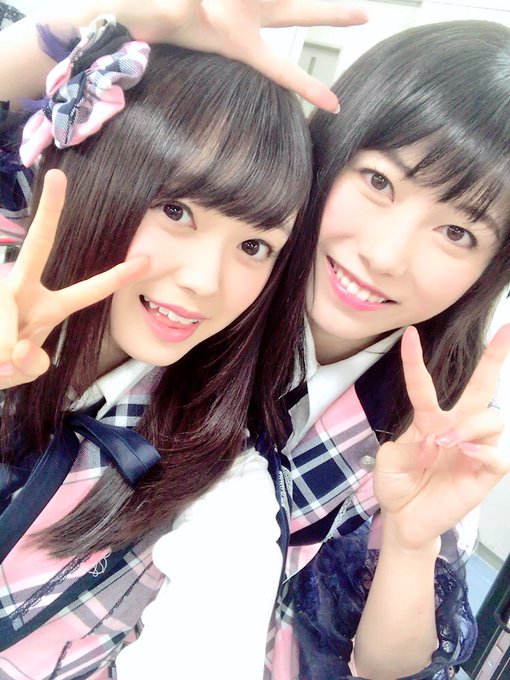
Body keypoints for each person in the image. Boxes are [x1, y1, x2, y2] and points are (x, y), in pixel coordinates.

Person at [0, 9, 316, 679]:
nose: (205, 281)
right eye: (177, 211)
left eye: (254, 246)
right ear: (104, 177)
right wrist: (92, 17)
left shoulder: (221, 486)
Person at [264, 18, 510, 680]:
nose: (385, 255)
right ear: (330, 146)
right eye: (378, 181)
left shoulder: (442, 424)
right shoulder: (209, 287)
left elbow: (387, 668)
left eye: (457, 232)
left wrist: (409, 540)